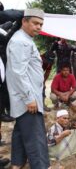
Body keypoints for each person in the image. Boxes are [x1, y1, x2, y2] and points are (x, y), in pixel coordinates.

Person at [6, 9, 50, 168]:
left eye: (41, 24)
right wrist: (29, 98)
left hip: (27, 98)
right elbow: (18, 73)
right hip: (28, 100)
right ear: (24, 21)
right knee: (36, 140)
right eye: (35, 23)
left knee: (20, 134)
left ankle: (16, 165)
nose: (39, 27)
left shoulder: (25, 39)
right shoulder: (21, 41)